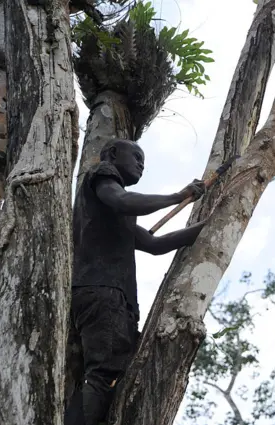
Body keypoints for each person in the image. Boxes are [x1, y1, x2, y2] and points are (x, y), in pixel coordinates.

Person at [65, 139, 207, 425]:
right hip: (104, 292)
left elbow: (155, 243)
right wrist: (175, 197)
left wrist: (209, 225)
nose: (142, 165)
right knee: (104, 374)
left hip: (101, 295)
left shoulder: (114, 214)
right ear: (113, 154)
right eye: (137, 157)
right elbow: (123, 200)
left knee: (99, 376)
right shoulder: (103, 178)